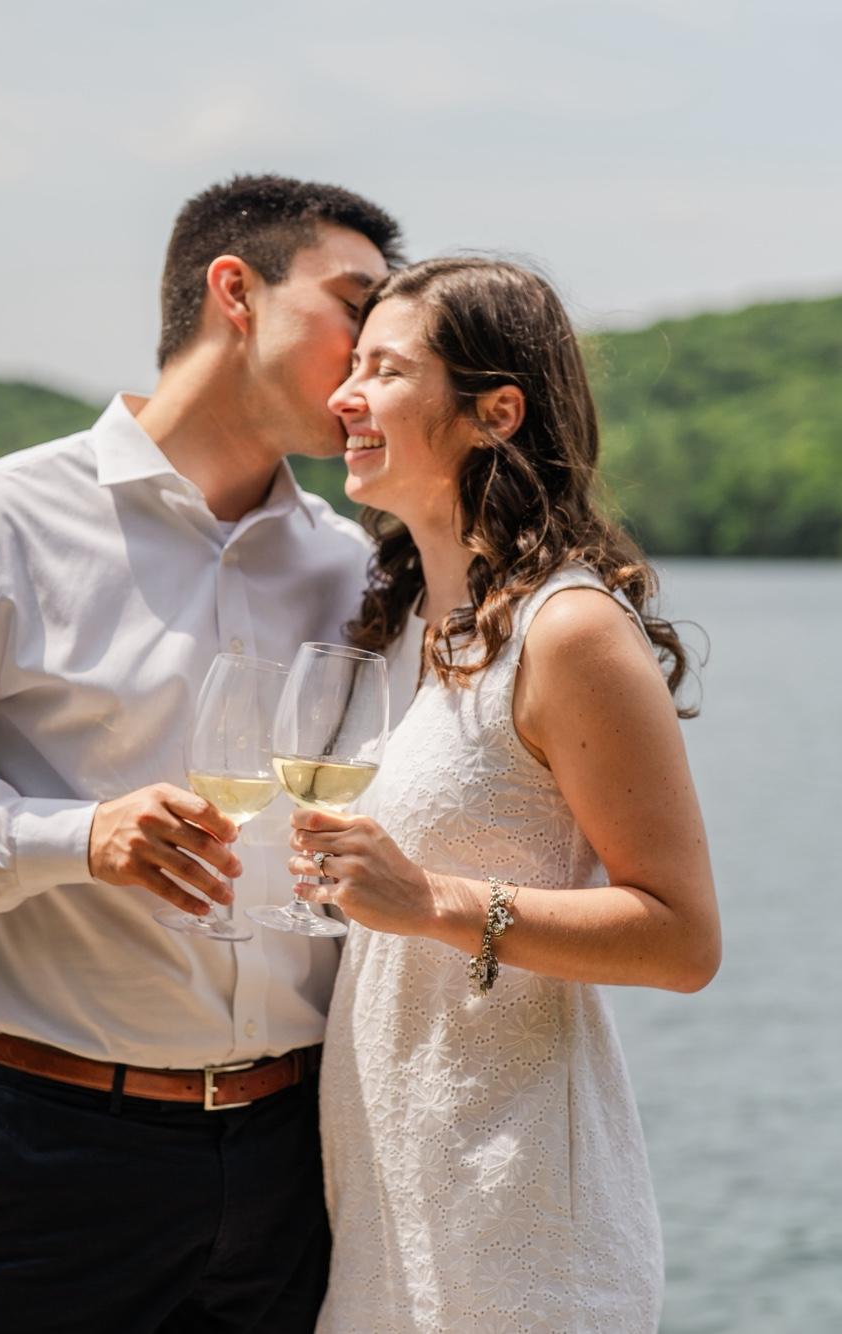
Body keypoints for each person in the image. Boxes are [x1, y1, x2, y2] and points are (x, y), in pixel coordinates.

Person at [0, 174, 402, 1333]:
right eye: (354, 310)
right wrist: (78, 836)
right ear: (236, 293)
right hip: (54, 1153)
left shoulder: (356, 567)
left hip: (299, 1152)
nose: (372, 361)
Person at [285, 257, 722, 1333]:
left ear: (495, 411)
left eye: (382, 371)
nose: (342, 397)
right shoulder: (394, 632)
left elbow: (681, 938)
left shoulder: (565, 630)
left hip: (517, 1226)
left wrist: (430, 898)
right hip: (388, 1214)